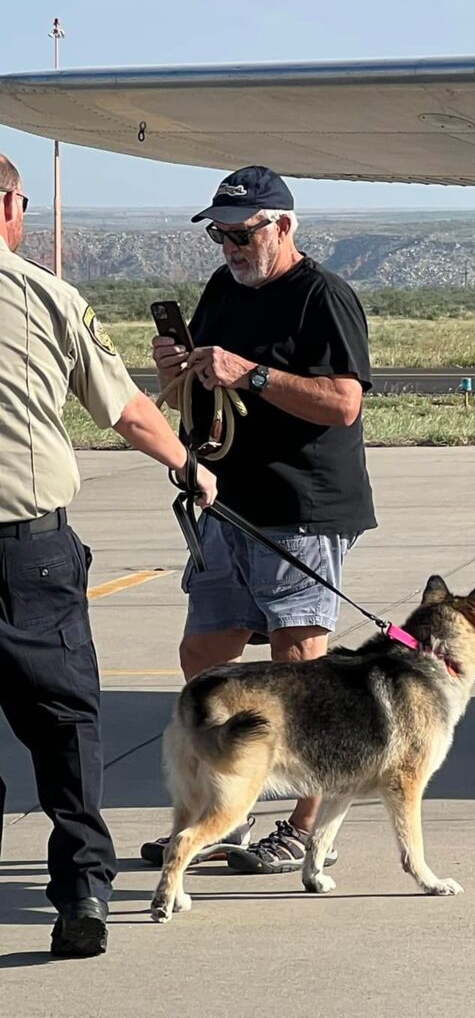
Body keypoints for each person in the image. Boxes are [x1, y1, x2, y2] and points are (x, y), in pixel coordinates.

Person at [0, 152, 217, 957]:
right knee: (66, 728)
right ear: (13, 207)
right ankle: (83, 894)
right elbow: (124, 408)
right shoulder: (45, 297)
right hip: (32, 552)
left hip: (31, 551)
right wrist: (191, 467)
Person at [141, 165, 377, 876]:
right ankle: (224, 814)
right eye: (220, 235)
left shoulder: (323, 297)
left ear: (283, 226)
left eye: (243, 233)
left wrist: (256, 375)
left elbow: (344, 404)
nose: (231, 247)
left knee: (298, 666)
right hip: (229, 502)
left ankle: (305, 827)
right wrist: (174, 373)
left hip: (302, 506)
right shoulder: (221, 289)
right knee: (204, 657)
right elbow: (195, 394)